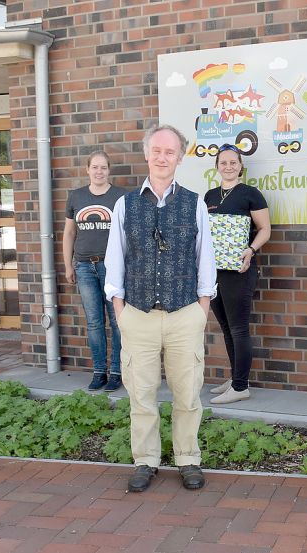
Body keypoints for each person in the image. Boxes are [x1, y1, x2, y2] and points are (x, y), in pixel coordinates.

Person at [104, 124, 216, 492]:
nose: (163, 157)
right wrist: (119, 309)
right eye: (157, 151)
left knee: (187, 393)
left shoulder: (194, 202)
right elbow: (115, 259)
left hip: (185, 312)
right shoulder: (126, 203)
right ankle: (146, 460)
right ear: (146, 154)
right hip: (137, 313)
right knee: (141, 393)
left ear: (180, 158)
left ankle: (187, 458)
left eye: (170, 152)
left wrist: (202, 307)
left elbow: (206, 259)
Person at [204, 144, 271, 404]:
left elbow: (265, 229)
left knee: (239, 328)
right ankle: (235, 378)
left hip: (239, 269)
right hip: (214, 271)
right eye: (224, 162)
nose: (229, 166)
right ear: (217, 166)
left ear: (241, 166)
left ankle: (241, 386)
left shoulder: (250, 194)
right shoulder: (209, 196)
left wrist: (251, 250)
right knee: (226, 327)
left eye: (233, 162)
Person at [63, 151, 127, 392]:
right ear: (87, 169)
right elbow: (69, 233)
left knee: (117, 321)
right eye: (95, 167)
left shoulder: (120, 196)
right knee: (94, 323)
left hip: (112, 268)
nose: (99, 172)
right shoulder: (76, 196)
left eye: (103, 168)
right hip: (84, 266)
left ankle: (116, 372)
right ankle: (99, 371)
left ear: (109, 170)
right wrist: (68, 265)